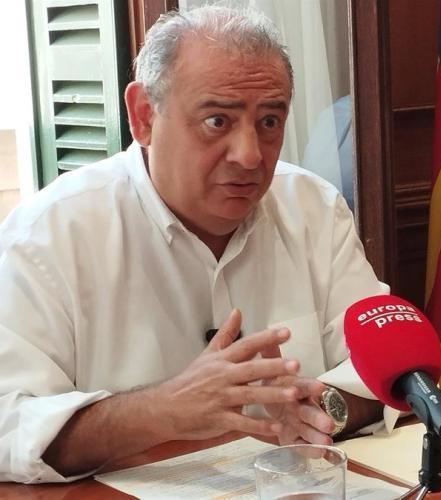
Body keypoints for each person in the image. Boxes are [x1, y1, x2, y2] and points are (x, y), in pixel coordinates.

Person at [0, 6, 395, 483]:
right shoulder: (47, 235)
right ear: (144, 116)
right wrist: (161, 410)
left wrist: (320, 407)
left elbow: (386, 366)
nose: (249, 155)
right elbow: (9, 424)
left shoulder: (313, 206)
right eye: (217, 121)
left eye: (270, 122)